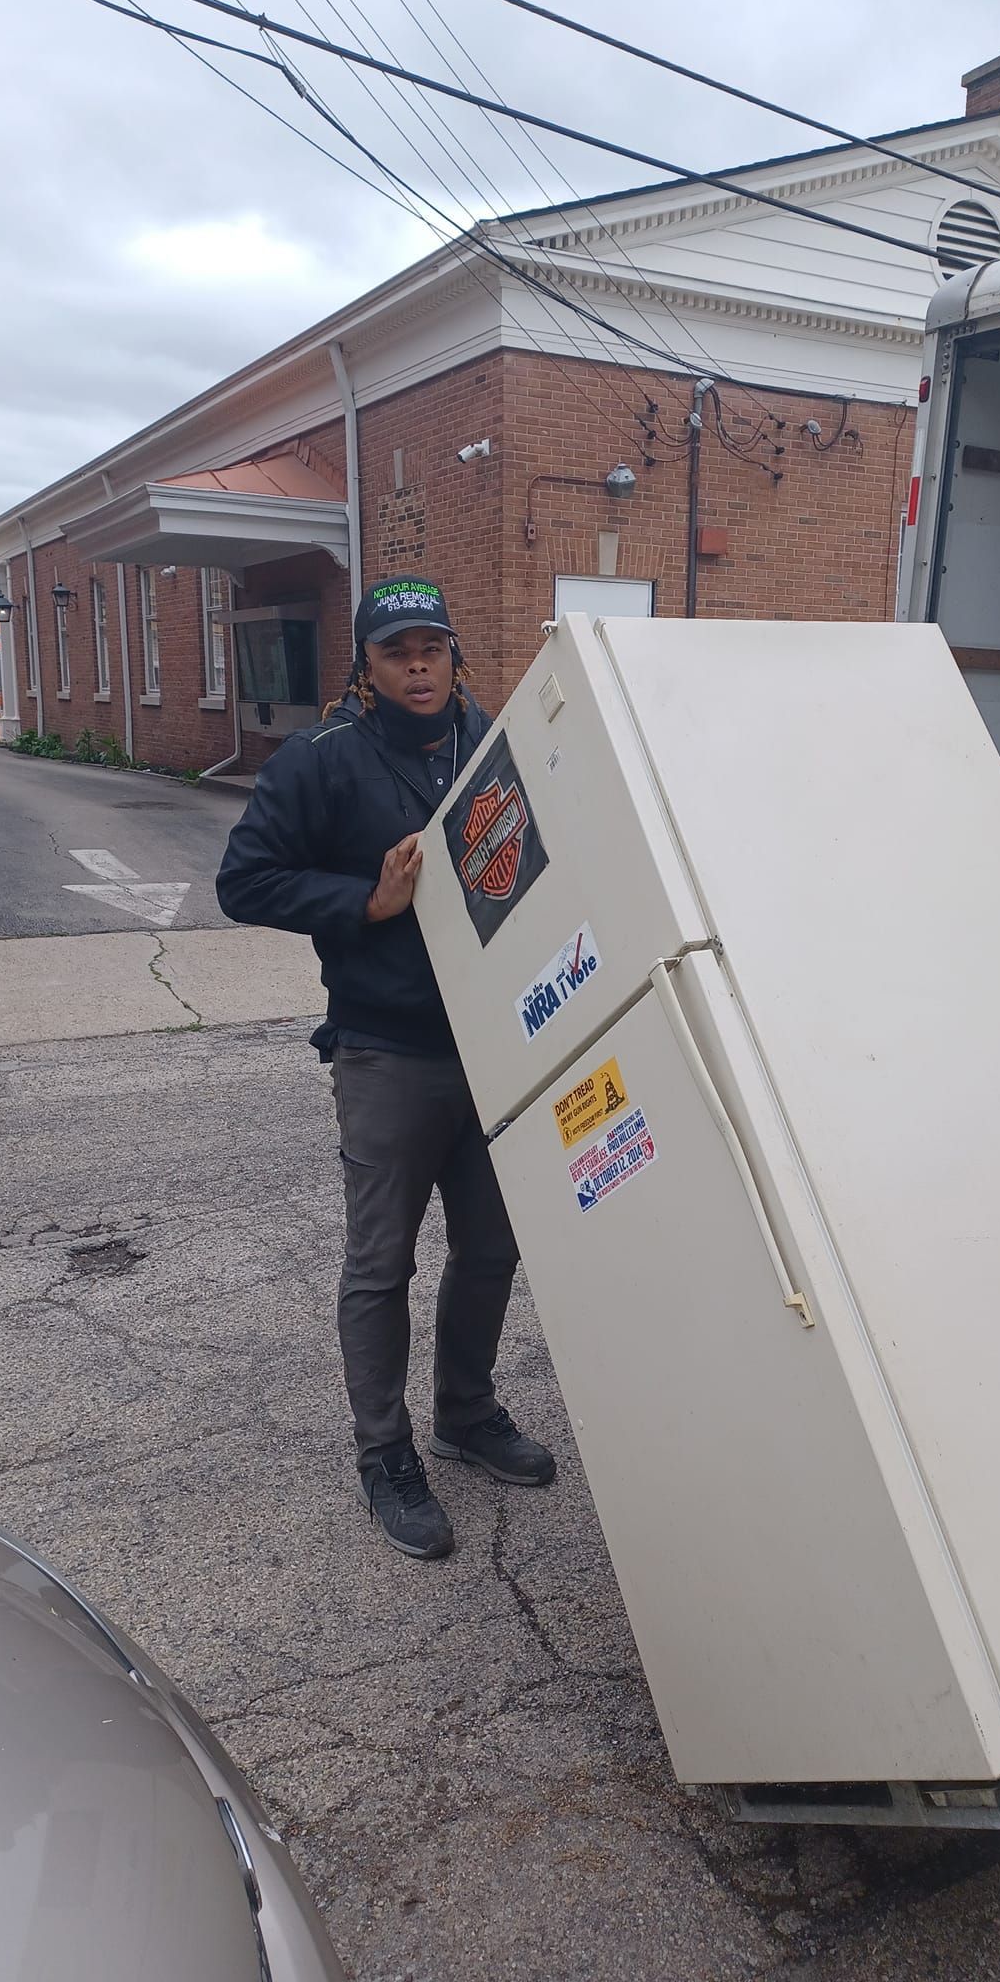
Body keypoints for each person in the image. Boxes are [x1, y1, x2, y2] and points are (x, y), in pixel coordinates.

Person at [217, 577, 555, 1561]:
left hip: (493, 1045)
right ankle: (385, 1453)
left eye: (432, 647)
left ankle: (467, 1411)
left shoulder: (487, 744)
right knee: (380, 1265)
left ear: (455, 654)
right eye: (396, 650)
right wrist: (364, 902)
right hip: (388, 1051)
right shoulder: (321, 762)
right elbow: (245, 878)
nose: (418, 664)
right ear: (365, 667)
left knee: (492, 1248)